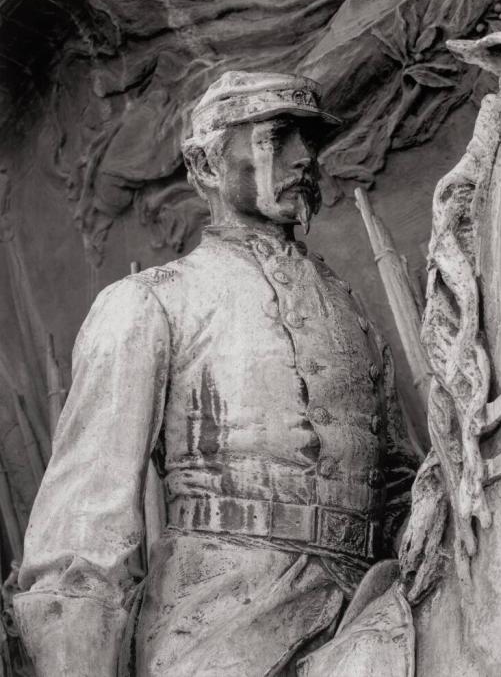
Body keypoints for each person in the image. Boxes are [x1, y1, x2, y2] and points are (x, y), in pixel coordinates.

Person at [14, 71, 417, 676]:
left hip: (372, 609)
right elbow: (84, 526)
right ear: (207, 166)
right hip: (223, 627)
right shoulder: (152, 301)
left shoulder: (350, 313)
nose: (304, 158)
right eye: (276, 138)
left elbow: (400, 482)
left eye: (308, 141)